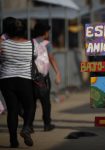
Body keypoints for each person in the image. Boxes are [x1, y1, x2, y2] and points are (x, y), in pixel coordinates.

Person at [0, 18, 34, 148]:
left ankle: (13, 141)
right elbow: (35, 57)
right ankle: (26, 128)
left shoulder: (3, 44)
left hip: (6, 80)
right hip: (24, 80)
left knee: (12, 110)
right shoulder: (31, 44)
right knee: (30, 106)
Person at [31, 22, 61, 131]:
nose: (48, 33)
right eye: (47, 31)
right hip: (43, 77)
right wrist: (58, 72)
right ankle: (47, 124)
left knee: (31, 102)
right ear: (44, 32)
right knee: (45, 102)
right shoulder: (47, 43)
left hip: (31, 76)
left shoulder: (30, 42)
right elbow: (51, 58)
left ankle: (29, 125)